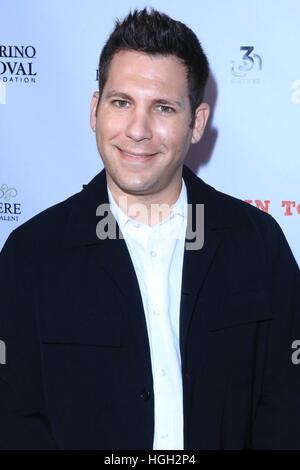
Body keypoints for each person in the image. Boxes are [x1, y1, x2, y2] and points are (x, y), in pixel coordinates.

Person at [0, 8, 299, 450]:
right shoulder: (31, 254)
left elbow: (287, 402)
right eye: (121, 103)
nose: (137, 130)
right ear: (94, 110)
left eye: (162, 108)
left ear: (196, 123)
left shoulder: (257, 243)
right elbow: (14, 416)